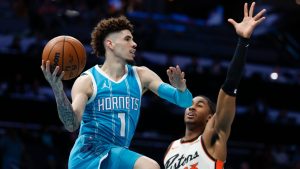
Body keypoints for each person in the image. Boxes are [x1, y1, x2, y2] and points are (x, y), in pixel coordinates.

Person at [40, 15, 193, 169]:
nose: (134, 44)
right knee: (150, 166)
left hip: (116, 156)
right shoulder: (87, 81)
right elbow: (71, 124)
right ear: (110, 44)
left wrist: (181, 88)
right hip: (89, 155)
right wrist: (58, 90)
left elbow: (185, 102)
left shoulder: (141, 75)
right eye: (127, 39)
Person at [163, 2, 266, 169]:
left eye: (199, 104)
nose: (192, 107)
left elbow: (230, 85)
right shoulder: (171, 148)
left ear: (210, 118)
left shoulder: (214, 137)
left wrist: (243, 41)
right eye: (190, 104)